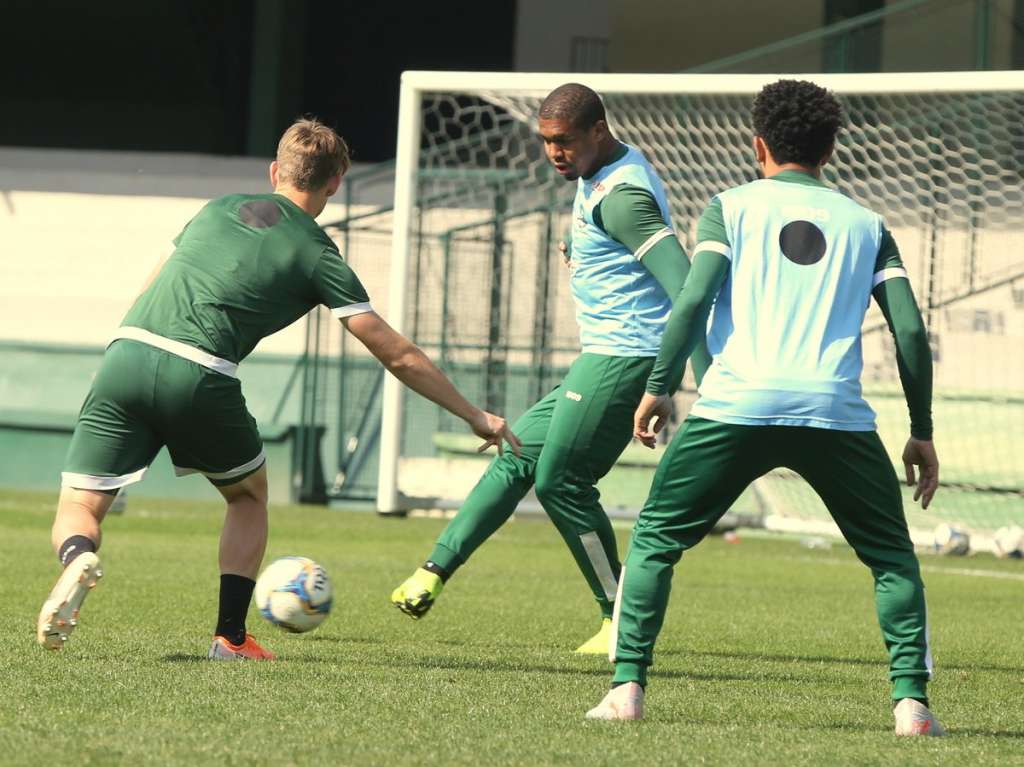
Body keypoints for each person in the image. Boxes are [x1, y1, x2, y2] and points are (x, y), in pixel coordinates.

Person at [37, 118, 521, 660]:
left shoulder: (217, 208)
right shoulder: (317, 252)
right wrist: (473, 414)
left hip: (125, 351)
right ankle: (230, 637)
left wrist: (126, 359)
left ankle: (78, 555)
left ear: (275, 170)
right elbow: (397, 354)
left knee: (81, 502)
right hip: (199, 369)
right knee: (247, 497)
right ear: (334, 184)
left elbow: (155, 279)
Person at [585, 79, 944, 737]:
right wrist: (921, 430)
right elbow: (912, 333)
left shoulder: (730, 208)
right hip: (834, 412)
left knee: (658, 539)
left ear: (758, 145)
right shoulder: (869, 225)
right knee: (892, 558)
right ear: (832, 148)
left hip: (735, 405)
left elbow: (691, 300)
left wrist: (661, 385)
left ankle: (627, 689)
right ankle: (911, 705)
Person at [391, 83, 709, 654]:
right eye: (545, 142)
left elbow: (687, 288)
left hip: (627, 358)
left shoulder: (621, 197)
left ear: (597, 132)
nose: (554, 153)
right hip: (603, 355)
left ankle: (621, 618)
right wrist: (579, 245)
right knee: (517, 453)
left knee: (560, 480)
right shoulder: (597, 175)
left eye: (563, 142)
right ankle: (433, 572)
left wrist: (684, 382)